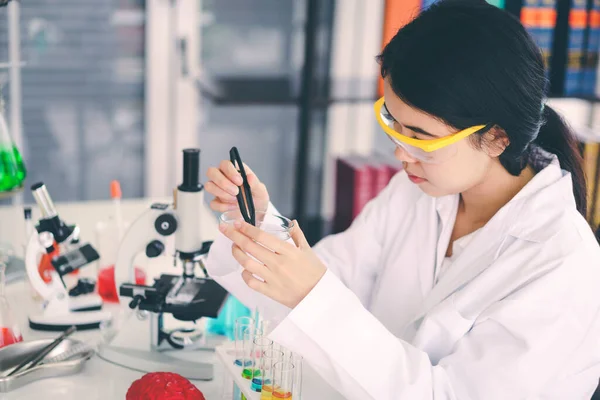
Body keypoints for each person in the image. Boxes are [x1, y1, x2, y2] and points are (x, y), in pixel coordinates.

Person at [204, 1, 600, 399]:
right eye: (393, 124)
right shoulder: (419, 193)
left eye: (421, 137)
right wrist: (257, 224)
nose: (400, 153)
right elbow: (328, 280)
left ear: (498, 137)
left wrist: (313, 297)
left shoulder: (562, 268)